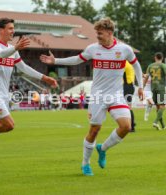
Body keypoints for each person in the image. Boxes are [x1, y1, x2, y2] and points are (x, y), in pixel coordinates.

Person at [40, 17, 144, 176]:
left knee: (126, 127)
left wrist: (141, 86)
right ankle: (85, 164)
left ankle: (102, 149)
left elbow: (136, 65)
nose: (98, 37)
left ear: (110, 33)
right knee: (94, 129)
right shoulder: (93, 48)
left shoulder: (124, 50)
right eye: (97, 34)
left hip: (116, 95)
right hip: (97, 96)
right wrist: (55, 60)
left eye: (100, 34)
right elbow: (77, 59)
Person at [0, 18, 57, 174]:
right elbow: (0, 53)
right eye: (10, 28)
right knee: (9, 125)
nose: (13, 31)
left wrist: (44, 78)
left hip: (4, 94)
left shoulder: (13, 49)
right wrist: (15, 48)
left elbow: (23, 67)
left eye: (13, 28)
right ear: (1, 30)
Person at [143, 52, 166, 130]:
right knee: (162, 107)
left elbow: (146, 77)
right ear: (162, 58)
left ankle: (163, 126)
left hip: (153, 88)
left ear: (155, 57)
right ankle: (155, 122)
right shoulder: (163, 65)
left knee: (158, 107)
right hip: (161, 88)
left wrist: (142, 87)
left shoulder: (150, 66)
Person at [123, 61, 136, 132]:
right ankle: (132, 123)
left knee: (128, 107)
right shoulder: (130, 65)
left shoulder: (124, 64)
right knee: (127, 106)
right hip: (130, 86)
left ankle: (132, 126)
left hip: (127, 86)